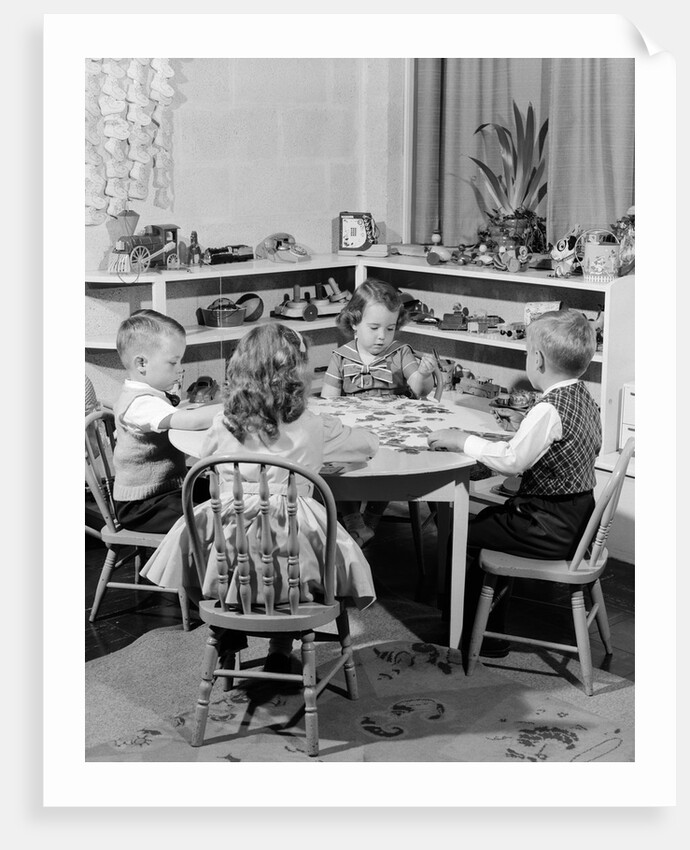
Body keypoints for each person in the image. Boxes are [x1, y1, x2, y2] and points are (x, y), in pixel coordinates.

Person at [141, 323, 379, 673]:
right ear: (297, 376)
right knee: (330, 562)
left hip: (232, 557)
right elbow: (366, 446)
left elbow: (211, 478)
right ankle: (280, 646)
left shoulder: (224, 422)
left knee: (201, 545)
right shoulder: (313, 425)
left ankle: (226, 624)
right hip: (293, 556)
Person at [427, 309, 602, 657]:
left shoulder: (548, 409)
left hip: (546, 525)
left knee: (465, 536)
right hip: (580, 520)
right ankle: (484, 624)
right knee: (489, 525)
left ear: (537, 359)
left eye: (526, 354)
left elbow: (512, 461)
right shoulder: (583, 397)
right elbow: (567, 445)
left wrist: (463, 440)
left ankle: (476, 633)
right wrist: (524, 429)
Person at [321, 278, 438, 546]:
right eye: (374, 328)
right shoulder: (341, 356)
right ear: (354, 323)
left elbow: (420, 391)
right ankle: (352, 519)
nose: (382, 336)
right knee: (337, 459)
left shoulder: (400, 353)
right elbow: (328, 402)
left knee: (391, 463)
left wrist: (422, 373)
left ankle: (372, 517)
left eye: (390, 328)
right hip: (352, 432)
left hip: (393, 433)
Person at [112, 309, 221, 534]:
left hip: (166, 489)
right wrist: (233, 407)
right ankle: (193, 566)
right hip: (142, 505)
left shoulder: (151, 394)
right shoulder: (140, 403)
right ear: (141, 363)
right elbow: (190, 422)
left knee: (224, 491)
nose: (180, 369)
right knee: (208, 519)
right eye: (173, 362)